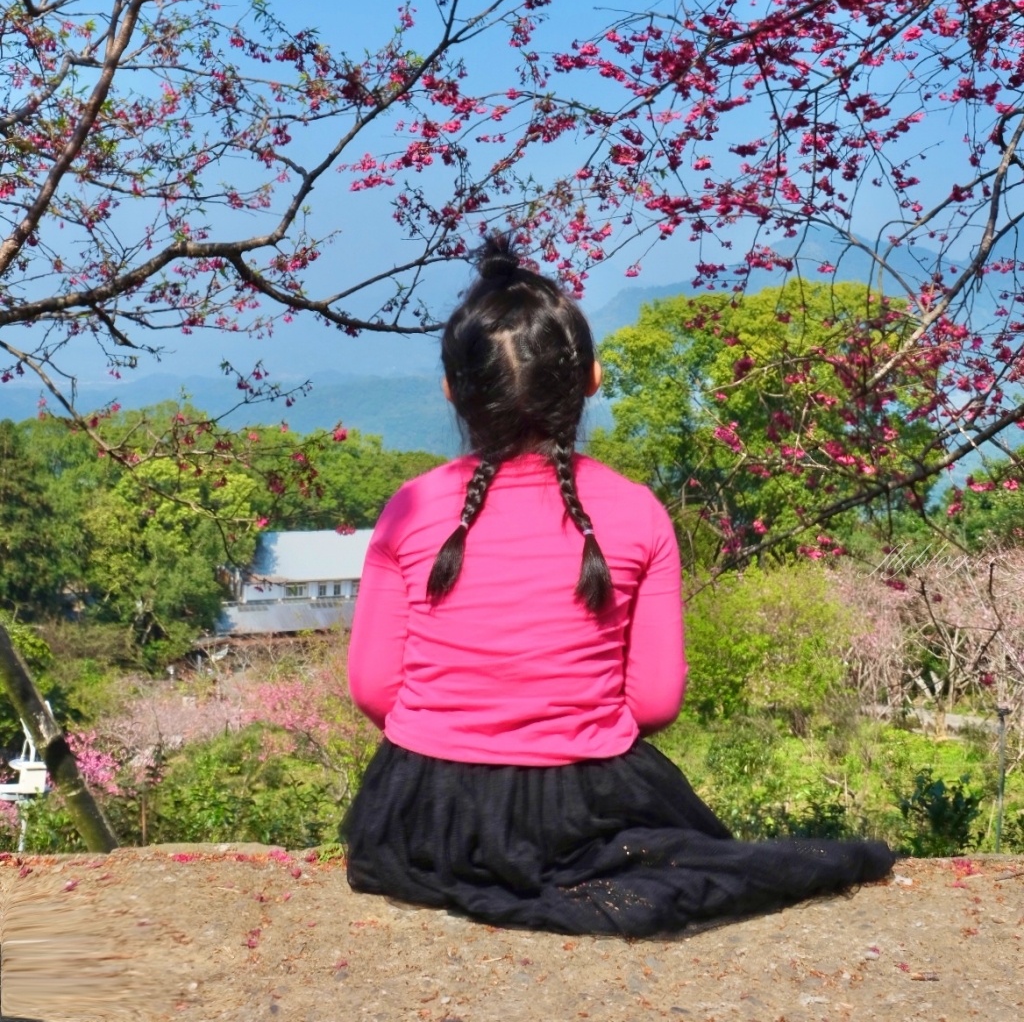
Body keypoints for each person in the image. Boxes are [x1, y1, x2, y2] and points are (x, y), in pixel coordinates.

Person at [343, 236, 894, 937]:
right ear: (592, 380)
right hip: (581, 810)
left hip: (427, 817)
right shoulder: (637, 511)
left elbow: (373, 690)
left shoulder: (410, 507)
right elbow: (655, 702)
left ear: (452, 388)